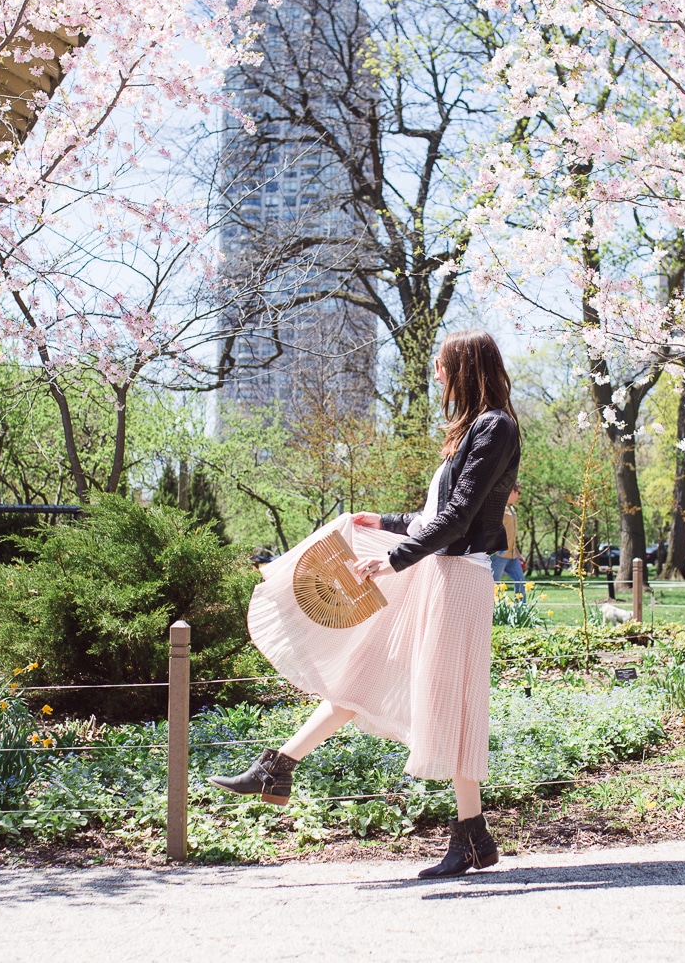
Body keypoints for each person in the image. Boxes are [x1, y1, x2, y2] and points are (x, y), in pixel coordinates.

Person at [208, 329, 520, 879]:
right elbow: (438, 515)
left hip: (457, 578)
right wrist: (387, 524)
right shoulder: (474, 430)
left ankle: (472, 836)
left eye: (444, 366)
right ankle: (278, 767)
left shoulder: (495, 428)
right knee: (371, 667)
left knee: (452, 699)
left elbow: (464, 518)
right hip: (437, 572)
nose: (437, 375)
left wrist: (393, 557)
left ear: (466, 368)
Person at [489, 483, 525, 597]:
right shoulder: (500, 509)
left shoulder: (512, 508)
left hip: (513, 556)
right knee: (494, 585)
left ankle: (520, 612)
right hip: (500, 555)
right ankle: (492, 612)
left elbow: (511, 535)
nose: (519, 496)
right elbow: (492, 529)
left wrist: (518, 554)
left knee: (521, 581)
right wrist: (495, 548)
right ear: (511, 492)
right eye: (518, 493)